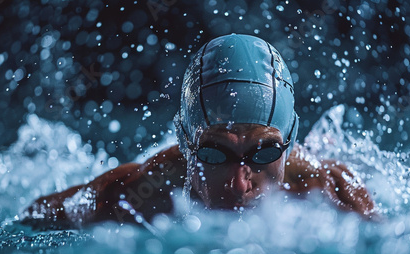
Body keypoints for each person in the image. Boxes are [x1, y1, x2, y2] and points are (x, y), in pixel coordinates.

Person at [21, 34, 375, 230]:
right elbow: (34, 218)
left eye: (265, 153)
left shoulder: (326, 190)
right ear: (186, 145)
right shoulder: (140, 193)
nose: (239, 183)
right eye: (214, 153)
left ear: (290, 140)